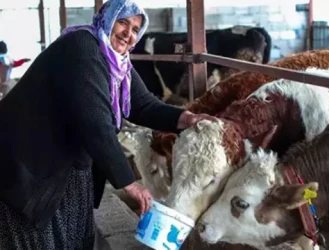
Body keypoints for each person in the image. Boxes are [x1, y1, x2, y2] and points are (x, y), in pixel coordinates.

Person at [0, 0, 216, 249]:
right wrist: (129, 183)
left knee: (73, 239)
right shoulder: (83, 46)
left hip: (65, 167)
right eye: (123, 22)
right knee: (34, 239)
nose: (129, 33)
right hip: (30, 165)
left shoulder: (117, 62)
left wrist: (185, 118)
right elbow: (95, 122)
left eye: (136, 29)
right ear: (107, 19)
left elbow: (143, 104)